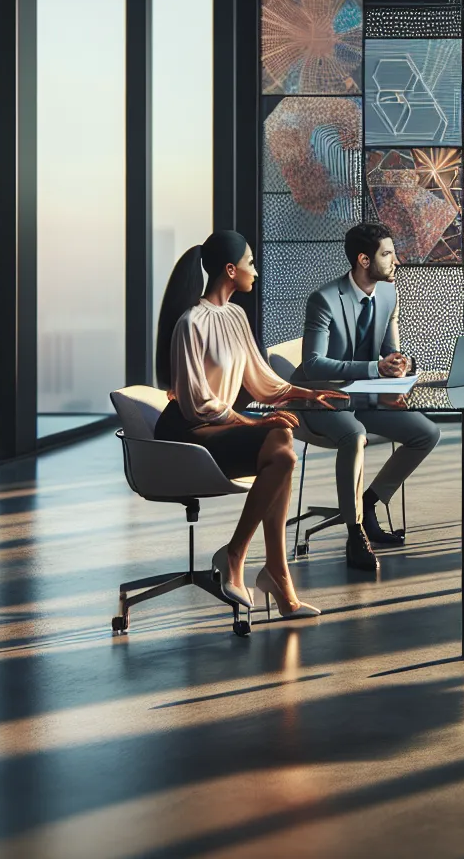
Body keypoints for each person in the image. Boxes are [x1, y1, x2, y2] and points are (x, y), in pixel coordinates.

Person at [153, 231, 347, 619]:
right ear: (230, 270)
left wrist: (307, 395)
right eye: (250, 264)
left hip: (217, 426)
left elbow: (261, 380)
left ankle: (268, 570)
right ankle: (246, 559)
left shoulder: (236, 316)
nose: (255, 273)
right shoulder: (191, 323)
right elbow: (196, 404)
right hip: (187, 433)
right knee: (279, 443)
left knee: (281, 443)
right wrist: (252, 420)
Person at [295, 221, 442, 570]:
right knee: (354, 435)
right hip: (322, 398)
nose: (396, 260)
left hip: (365, 398)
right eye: (388, 253)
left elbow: (391, 351)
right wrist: (376, 368)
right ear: (364, 259)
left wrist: (400, 364)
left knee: (427, 433)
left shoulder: (388, 293)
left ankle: (370, 501)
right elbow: (313, 365)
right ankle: (355, 531)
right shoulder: (325, 300)